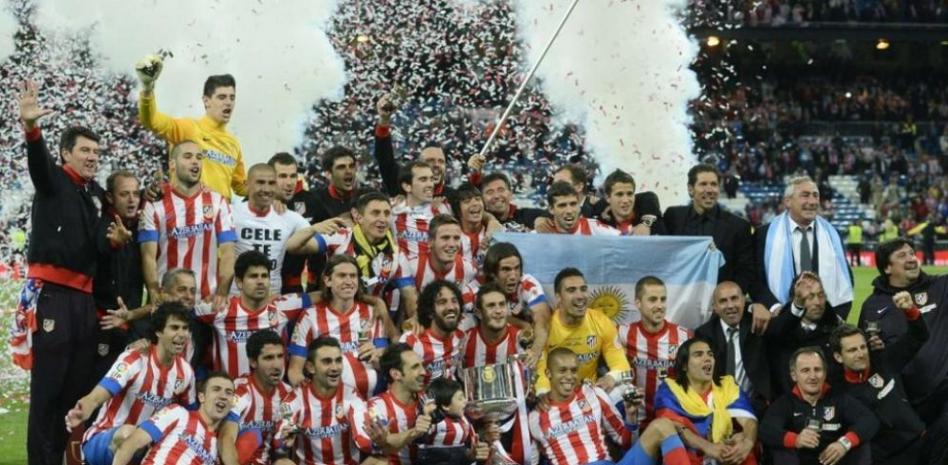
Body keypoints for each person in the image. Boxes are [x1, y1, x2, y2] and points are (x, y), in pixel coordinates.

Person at [15, 80, 118, 465]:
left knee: (73, 390)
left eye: (96, 151)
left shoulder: (90, 196)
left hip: (83, 302)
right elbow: (37, 163)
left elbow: (96, 247)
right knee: (47, 393)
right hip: (55, 297)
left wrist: (116, 240)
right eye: (85, 151)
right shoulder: (54, 181)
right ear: (65, 154)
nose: (93, 157)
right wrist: (31, 129)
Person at [66, 303, 195, 465]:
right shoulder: (135, 358)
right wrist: (84, 408)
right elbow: (99, 394)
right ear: (158, 331)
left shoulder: (186, 373)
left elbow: (190, 419)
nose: (182, 334)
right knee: (129, 435)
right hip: (105, 440)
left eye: (185, 328)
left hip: (144, 449)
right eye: (175, 328)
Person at [858, 239, 948, 438]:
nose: (911, 259)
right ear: (887, 268)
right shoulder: (872, 306)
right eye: (902, 255)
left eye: (912, 253)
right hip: (903, 403)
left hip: (943, 393)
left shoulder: (941, 287)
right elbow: (865, 357)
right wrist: (872, 348)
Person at [830, 301, 935, 465]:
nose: (860, 354)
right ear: (838, 357)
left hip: (922, 444)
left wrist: (910, 311)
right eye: (852, 350)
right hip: (888, 459)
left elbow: (919, 336)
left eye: (862, 347)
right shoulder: (839, 393)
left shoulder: (885, 360)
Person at [136, 55, 246, 199]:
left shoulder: (234, 144)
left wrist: (274, 191)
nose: (228, 102)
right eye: (222, 97)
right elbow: (151, 120)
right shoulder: (188, 128)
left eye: (232, 97)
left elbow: (240, 186)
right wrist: (147, 89)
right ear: (206, 101)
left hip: (221, 218)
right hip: (188, 216)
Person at [139, 140, 237, 304]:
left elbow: (228, 253)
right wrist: (154, 291)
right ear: (172, 164)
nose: (195, 161)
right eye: (187, 156)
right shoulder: (155, 203)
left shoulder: (217, 201)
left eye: (199, 157)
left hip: (205, 302)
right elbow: (148, 256)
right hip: (168, 302)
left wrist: (221, 293)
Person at [298, 191, 419, 322]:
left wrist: (415, 319)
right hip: (334, 315)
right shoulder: (341, 237)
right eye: (375, 213)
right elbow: (294, 246)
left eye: (387, 213)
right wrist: (313, 229)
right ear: (358, 217)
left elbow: (409, 295)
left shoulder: (396, 255)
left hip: (372, 320)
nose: (383, 219)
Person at [288, 255, 398, 396]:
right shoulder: (310, 317)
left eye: (353, 276)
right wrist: (313, 400)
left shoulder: (372, 313)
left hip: (371, 403)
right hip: (328, 405)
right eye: (342, 276)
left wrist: (378, 358)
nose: (348, 281)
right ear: (327, 281)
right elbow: (294, 371)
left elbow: (385, 365)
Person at [195, 250, 311, 379]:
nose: (260, 281)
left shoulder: (283, 307)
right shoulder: (220, 309)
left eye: (264, 276)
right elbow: (183, 311)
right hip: (229, 394)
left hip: (273, 394)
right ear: (239, 282)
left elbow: (322, 296)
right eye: (253, 276)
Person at [753, 176, 853, 319]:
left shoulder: (833, 234)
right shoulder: (764, 234)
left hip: (824, 321)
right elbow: (755, 279)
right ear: (788, 201)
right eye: (805, 195)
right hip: (780, 319)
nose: (812, 202)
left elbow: (845, 277)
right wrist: (774, 307)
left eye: (815, 196)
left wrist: (837, 316)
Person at [760, 348, 878, 465]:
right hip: (801, 461)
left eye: (817, 370)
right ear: (794, 375)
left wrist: (844, 443)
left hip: (835, 460)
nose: (813, 376)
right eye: (805, 370)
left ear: (825, 373)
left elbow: (869, 420)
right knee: (780, 450)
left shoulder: (839, 398)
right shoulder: (785, 403)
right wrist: (796, 440)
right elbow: (767, 430)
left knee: (861, 444)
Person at [654, 337, 759, 465]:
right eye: (698, 354)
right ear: (684, 365)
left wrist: (747, 442)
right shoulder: (670, 389)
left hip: (725, 454)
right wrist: (708, 447)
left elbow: (749, 422)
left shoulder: (727, 386)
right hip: (690, 456)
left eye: (710, 354)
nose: (707, 358)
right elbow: (672, 426)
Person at [460, 283, 533, 465]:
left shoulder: (521, 340)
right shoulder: (464, 341)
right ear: (478, 313)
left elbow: (531, 383)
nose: (499, 311)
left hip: (513, 421)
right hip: (473, 423)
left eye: (502, 305)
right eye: (491, 306)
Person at [527, 347, 634, 465]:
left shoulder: (593, 394)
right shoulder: (536, 417)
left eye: (573, 371)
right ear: (548, 373)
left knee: (656, 429)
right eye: (562, 370)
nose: (569, 376)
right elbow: (531, 461)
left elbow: (626, 441)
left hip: (601, 462)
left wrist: (631, 416)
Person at [534, 268, 630, 395]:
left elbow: (621, 364)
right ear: (558, 297)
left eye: (583, 289)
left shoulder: (601, 321)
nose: (580, 296)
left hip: (591, 392)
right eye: (571, 290)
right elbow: (540, 372)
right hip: (558, 396)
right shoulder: (546, 328)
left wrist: (611, 377)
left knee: (623, 389)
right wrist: (545, 397)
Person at [279, 336, 374, 465]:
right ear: (311, 367)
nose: (335, 368)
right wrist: (284, 439)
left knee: (379, 462)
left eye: (338, 361)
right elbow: (279, 439)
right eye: (327, 362)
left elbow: (364, 440)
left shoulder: (351, 395)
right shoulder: (295, 399)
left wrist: (375, 439)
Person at [110, 371, 237, 465]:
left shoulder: (216, 449)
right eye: (216, 389)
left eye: (228, 392)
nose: (223, 396)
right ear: (201, 397)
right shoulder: (178, 413)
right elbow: (132, 443)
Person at [664, 164, 755, 292]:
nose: (709, 189)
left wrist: (727, 298)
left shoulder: (738, 226)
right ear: (691, 189)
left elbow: (745, 272)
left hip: (720, 305)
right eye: (703, 184)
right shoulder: (673, 217)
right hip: (680, 300)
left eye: (714, 184)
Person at [618, 276, 693, 428]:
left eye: (663, 299)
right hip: (636, 420)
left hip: (672, 421)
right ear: (638, 303)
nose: (660, 305)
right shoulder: (622, 333)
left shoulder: (684, 336)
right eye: (653, 300)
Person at [92, 170, 145, 379]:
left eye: (135, 194)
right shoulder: (104, 227)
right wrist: (114, 244)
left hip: (131, 323)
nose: (132, 200)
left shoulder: (139, 228)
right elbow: (100, 252)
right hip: (105, 324)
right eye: (124, 194)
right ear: (110, 198)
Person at [462, 242, 551, 367]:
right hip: (486, 341)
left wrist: (535, 352)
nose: (513, 276)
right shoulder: (474, 289)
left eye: (517, 268)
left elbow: (542, 320)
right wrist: (520, 323)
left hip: (521, 344)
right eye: (506, 269)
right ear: (493, 274)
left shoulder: (527, 283)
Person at [231, 163, 314, 294]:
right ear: (247, 184)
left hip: (272, 299)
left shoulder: (289, 217)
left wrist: (299, 242)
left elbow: (320, 240)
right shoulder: (230, 213)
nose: (266, 188)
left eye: (271, 183)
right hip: (235, 298)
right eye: (260, 182)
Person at [696, 282, 774, 414]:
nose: (730, 306)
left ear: (744, 300)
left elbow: (784, 326)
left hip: (756, 407)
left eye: (734, 298)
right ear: (714, 307)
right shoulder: (704, 334)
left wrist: (757, 306)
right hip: (717, 408)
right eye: (723, 301)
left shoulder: (757, 323)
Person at [219, 330, 294, 465]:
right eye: (269, 358)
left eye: (280, 356)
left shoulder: (288, 395)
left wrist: (284, 443)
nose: (277, 365)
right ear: (253, 362)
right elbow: (226, 438)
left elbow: (280, 450)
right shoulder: (240, 390)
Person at [768, 273, 843, 394]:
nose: (818, 302)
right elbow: (775, 332)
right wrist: (796, 307)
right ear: (797, 299)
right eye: (810, 297)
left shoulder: (835, 330)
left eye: (821, 295)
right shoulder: (781, 330)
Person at [364, 343, 435, 465]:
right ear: (396, 374)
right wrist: (415, 432)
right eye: (415, 367)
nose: (424, 372)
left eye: (422, 366)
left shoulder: (429, 399)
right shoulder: (377, 406)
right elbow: (386, 444)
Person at [374, 95, 454, 200]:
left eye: (441, 161)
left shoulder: (453, 198)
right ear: (418, 166)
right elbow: (385, 159)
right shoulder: (402, 189)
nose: (436, 165)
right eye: (430, 161)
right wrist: (384, 120)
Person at [402, 214, 479, 304]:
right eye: (445, 238)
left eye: (456, 238)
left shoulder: (468, 269)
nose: (452, 244)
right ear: (430, 242)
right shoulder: (413, 268)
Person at [400, 280, 467, 383]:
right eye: (442, 302)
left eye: (454, 301)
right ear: (430, 312)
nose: (451, 307)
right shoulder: (412, 341)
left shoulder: (461, 336)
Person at [417, 377, 488, 465]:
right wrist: (426, 416)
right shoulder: (435, 421)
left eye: (464, 397)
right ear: (446, 406)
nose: (465, 401)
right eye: (460, 398)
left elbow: (464, 454)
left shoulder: (464, 420)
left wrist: (472, 454)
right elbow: (419, 438)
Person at [391, 160, 452, 257]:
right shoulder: (393, 213)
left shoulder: (441, 210)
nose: (430, 184)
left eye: (431, 179)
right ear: (407, 186)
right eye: (423, 179)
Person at [596, 169, 664, 236]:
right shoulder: (599, 225)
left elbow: (649, 197)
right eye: (619, 194)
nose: (626, 200)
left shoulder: (653, 221)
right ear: (608, 198)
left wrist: (645, 224)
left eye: (629, 194)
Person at [451, 183, 503, 267]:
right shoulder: (451, 237)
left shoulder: (495, 233)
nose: (475, 203)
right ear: (458, 211)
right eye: (467, 201)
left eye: (478, 199)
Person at [478, 172, 548, 231]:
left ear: (510, 194)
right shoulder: (478, 224)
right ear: (482, 198)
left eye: (501, 190)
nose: (496, 196)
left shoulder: (531, 216)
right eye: (490, 192)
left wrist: (543, 221)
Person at [543, 181, 620, 236]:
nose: (569, 211)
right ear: (551, 209)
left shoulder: (594, 228)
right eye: (562, 205)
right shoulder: (540, 235)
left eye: (573, 204)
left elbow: (625, 242)